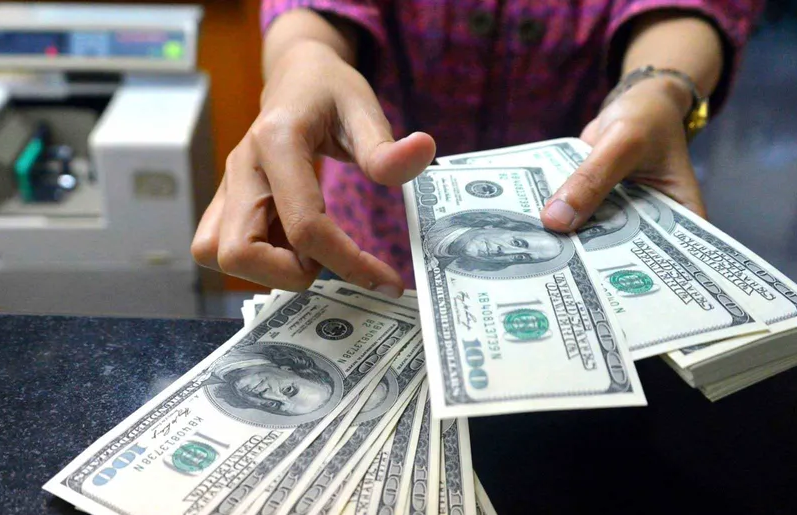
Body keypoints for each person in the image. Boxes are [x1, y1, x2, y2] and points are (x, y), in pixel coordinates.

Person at [191, 0, 764, 296]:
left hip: (584, 240)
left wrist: (659, 87)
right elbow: (314, 12)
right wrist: (302, 58)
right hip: (372, 245)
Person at [425, 211, 566, 273]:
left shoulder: (436, 269)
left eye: (521, 257)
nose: (505, 251)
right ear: (496, 226)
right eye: (517, 243)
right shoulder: (432, 224)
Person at [216, 345, 336, 417]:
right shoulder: (244, 347)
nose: (266, 395)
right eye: (288, 389)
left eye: (273, 405)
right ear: (288, 369)